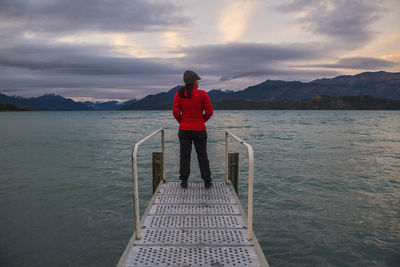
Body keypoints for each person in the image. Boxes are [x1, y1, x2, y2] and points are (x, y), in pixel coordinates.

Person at [172, 70, 214, 189]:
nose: (198, 82)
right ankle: (207, 181)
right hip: (199, 129)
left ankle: (184, 182)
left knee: (184, 156)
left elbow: (175, 112)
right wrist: (201, 121)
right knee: (202, 155)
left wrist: (183, 122)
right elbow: (210, 112)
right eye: (198, 80)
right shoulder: (202, 94)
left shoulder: (179, 94)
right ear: (195, 81)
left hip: (184, 129)